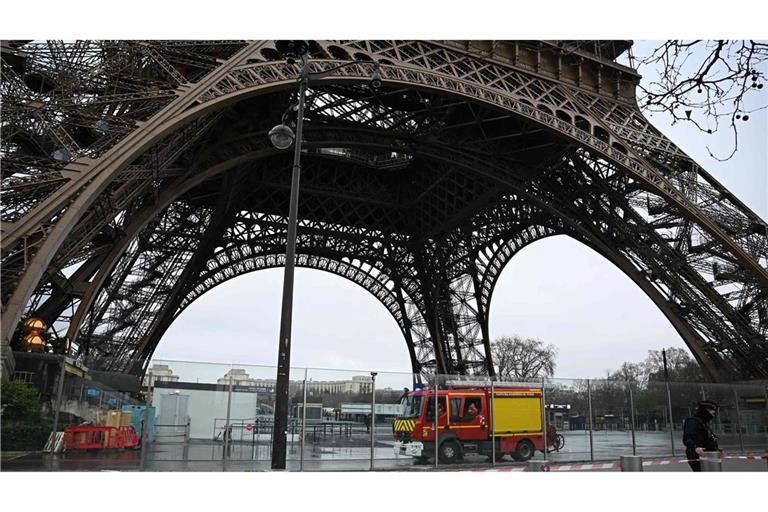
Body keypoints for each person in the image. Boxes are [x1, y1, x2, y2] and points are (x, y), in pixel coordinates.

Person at [683, 400, 721, 472]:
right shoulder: (693, 422)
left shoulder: (703, 423)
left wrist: (716, 449)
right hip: (699, 457)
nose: (713, 414)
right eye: (712, 412)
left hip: (708, 456)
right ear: (705, 410)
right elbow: (687, 438)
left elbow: (707, 439)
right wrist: (695, 448)